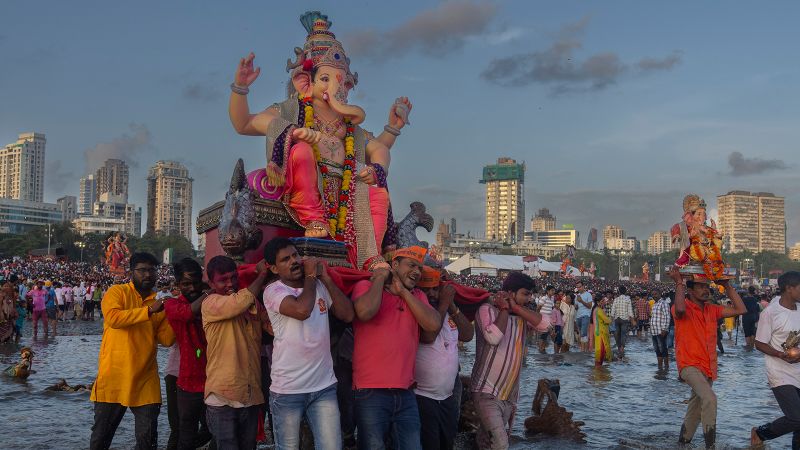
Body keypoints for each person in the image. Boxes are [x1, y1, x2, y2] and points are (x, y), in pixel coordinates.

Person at [262, 238, 355, 450]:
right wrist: (312, 276)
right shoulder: (274, 291)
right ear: (275, 268)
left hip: (324, 387)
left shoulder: (319, 285)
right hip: (287, 390)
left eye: (295, 255)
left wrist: (326, 280)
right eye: (286, 259)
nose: (294, 261)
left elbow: (348, 315)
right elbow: (302, 311)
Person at [351, 246, 442, 450]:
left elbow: (434, 325)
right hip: (370, 391)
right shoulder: (366, 286)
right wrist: (379, 280)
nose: (417, 272)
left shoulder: (418, 296)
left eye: (419, 268)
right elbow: (364, 312)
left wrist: (403, 292)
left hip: (406, 393)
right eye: (411, 265)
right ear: (394, 265)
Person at [90, 253, 176, 450]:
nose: (147, 274)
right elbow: (113, 318)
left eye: (152, 270)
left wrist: (173, 314)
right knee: (100, 440)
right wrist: (149, 311)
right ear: (131, 272)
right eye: (142, 270)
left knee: (147, 441)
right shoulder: (117, 292)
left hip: (145, 379)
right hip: (113, 377)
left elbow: (167, 339)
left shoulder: (158, 303)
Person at [470, 272, 550, 449]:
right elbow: (493, 337)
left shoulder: (522, 315)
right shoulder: (486, 310)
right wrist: (505, 309)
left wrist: (517, 308)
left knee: (486, 443)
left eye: (530, 294)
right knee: (500, 444)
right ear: (510, 292)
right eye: (525, 294)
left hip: (509, 396)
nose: (529, 298)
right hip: (486, 391)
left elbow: (545, 325)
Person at [669, 267, 746, 449]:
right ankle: (710, 446)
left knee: (695, 409)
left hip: (708, 367)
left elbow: (740, 309)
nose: (706, 290)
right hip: (689, 365)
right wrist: (678, 282)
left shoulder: (712, 309)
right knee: (710, 399)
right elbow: (679, 308)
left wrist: (727, 286)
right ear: (690, 290)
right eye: (701, 287)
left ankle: (683, 441)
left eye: (707, 287)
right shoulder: (682, 307)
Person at [202, 255, 271, 450]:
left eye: (233, 277)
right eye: (222, 280)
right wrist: (263, 274)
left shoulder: (250, 302)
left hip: (250, 394)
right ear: (211, 283)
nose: (230, 283)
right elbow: (240, 302)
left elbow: (271, 324)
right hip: (222, 397)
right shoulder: (210, 303)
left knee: (248, 446)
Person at [414, 266, 474, 450]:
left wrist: (452, 305)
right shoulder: (418, 310)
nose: (432, 294)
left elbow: (468, 334)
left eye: (435, 288)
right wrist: (443, 303)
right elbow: (429, 335)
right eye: (426, 289)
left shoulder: (447, 311)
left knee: (447, 443)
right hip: (422, 397)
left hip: (447, 397)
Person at [164, 258, 214, 450]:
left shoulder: (212, 301)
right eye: (186, 284)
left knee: (212, 429)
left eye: (195, 282)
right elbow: (187, 314)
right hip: (186, 380)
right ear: (177, 285)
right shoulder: (172, 304)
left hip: (213, 379)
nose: (192, 288)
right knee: (183, 433)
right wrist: (209, 292)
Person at [751, 271, 800, 448]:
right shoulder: (771, 312)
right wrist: (781, 354)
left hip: (798, 370)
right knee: (796, 418)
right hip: (779, 373)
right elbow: (759, 343)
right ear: (789, 288)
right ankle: (760, 433)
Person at [650, 291, 671, 371]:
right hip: (654, 331)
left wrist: (664, 329)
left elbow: (667, 317)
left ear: (660, 294)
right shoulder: (655, 304)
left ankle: (666, 368)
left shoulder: (664, 303)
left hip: (661, 331)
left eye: (655, 294)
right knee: (657, 350)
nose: (654, 296)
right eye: (653, 295)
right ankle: (660, 368)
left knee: (663, 349)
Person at [610, 286, 634, 356]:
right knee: (624, 334)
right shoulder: (628, 299)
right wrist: (632, 320)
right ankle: (622, 348)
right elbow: (630, 311)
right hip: (625, 319)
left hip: (617, 319)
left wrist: (611, 320)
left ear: (619, 292)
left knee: (617, 334)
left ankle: (618, 347)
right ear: (625, 291)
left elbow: (612, 311)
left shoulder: (616, 299)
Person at [574, 281, 593, 352]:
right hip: (578, 316)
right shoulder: (577, 296)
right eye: (577, 287)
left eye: (580, 287)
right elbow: (576, 307)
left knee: (583, 333)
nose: (578, 288)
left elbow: (590, 306)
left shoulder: (588, 295)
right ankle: (585, 350)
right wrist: (575, 306)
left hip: (586, 315)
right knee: (581, 333)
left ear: (583, 286)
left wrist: (581, 301)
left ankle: (582, 350)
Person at [536, 285, 555, 354]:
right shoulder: (544, 298)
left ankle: (542, 349)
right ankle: (540, 349)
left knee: (545, 335)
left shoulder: (552, 298)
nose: (553, 292)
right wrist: (538, 317)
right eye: (552, 290)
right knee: (543, 335)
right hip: (543, 319)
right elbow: (538, 307)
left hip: (548, 319)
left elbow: (551, 308)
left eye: (554, 290)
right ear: (548, 291)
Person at [593, 297, 612, 367]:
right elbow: (607, 320)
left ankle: (598, 368)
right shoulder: (599, 310)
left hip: (598, 332)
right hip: (601, 332)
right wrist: (611, 318)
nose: (603, 302)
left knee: (600, 350)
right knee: (601, 351)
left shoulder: (595, 309)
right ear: (598, 302)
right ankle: (598, 369)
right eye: (602, 301)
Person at [742, 286, 761, 351]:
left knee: (747, 332)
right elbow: (758, 309)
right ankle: (752, 346)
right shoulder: (756, 299)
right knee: (753, 331)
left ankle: (748, 346)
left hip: (746, 317)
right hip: (754, 317)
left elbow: (741, 308)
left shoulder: (744, 299)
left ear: (748, 291)